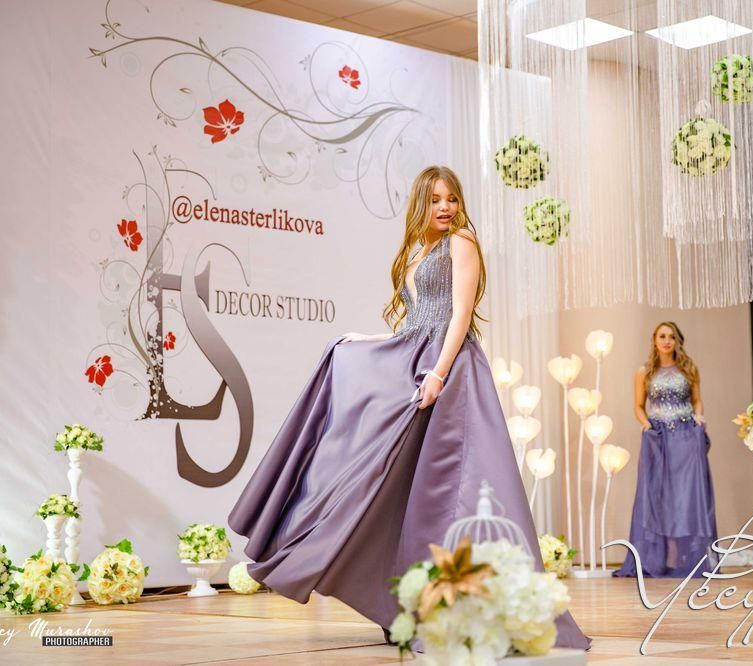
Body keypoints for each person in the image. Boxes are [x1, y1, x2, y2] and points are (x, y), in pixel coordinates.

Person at [228, 166, 591, 651]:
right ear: (421, 202)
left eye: (452, 199)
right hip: (415, 358)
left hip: (450, 370)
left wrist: (438, 374)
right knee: (394, 483)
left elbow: (459, 315)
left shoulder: (462, 242)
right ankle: (402, 603)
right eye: (436, 199)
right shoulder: (416, 252)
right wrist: (368, 340)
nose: (445, 207)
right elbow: (418, 320)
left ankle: (475, 609)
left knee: (452, 487)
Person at [612, 322, 717, 579]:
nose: (667, 341)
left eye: (671, 337)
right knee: (659, 495)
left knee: (687, 495)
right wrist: (646, 425)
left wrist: (699, 417)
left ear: (677, 341)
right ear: (655, 340)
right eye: (662, 336)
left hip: (686, 437)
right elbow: (638, 405)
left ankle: (688, 557)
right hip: (658, 438)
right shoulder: (644, 372)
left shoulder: (689, 368)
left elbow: (697, 400)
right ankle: (662, 557)